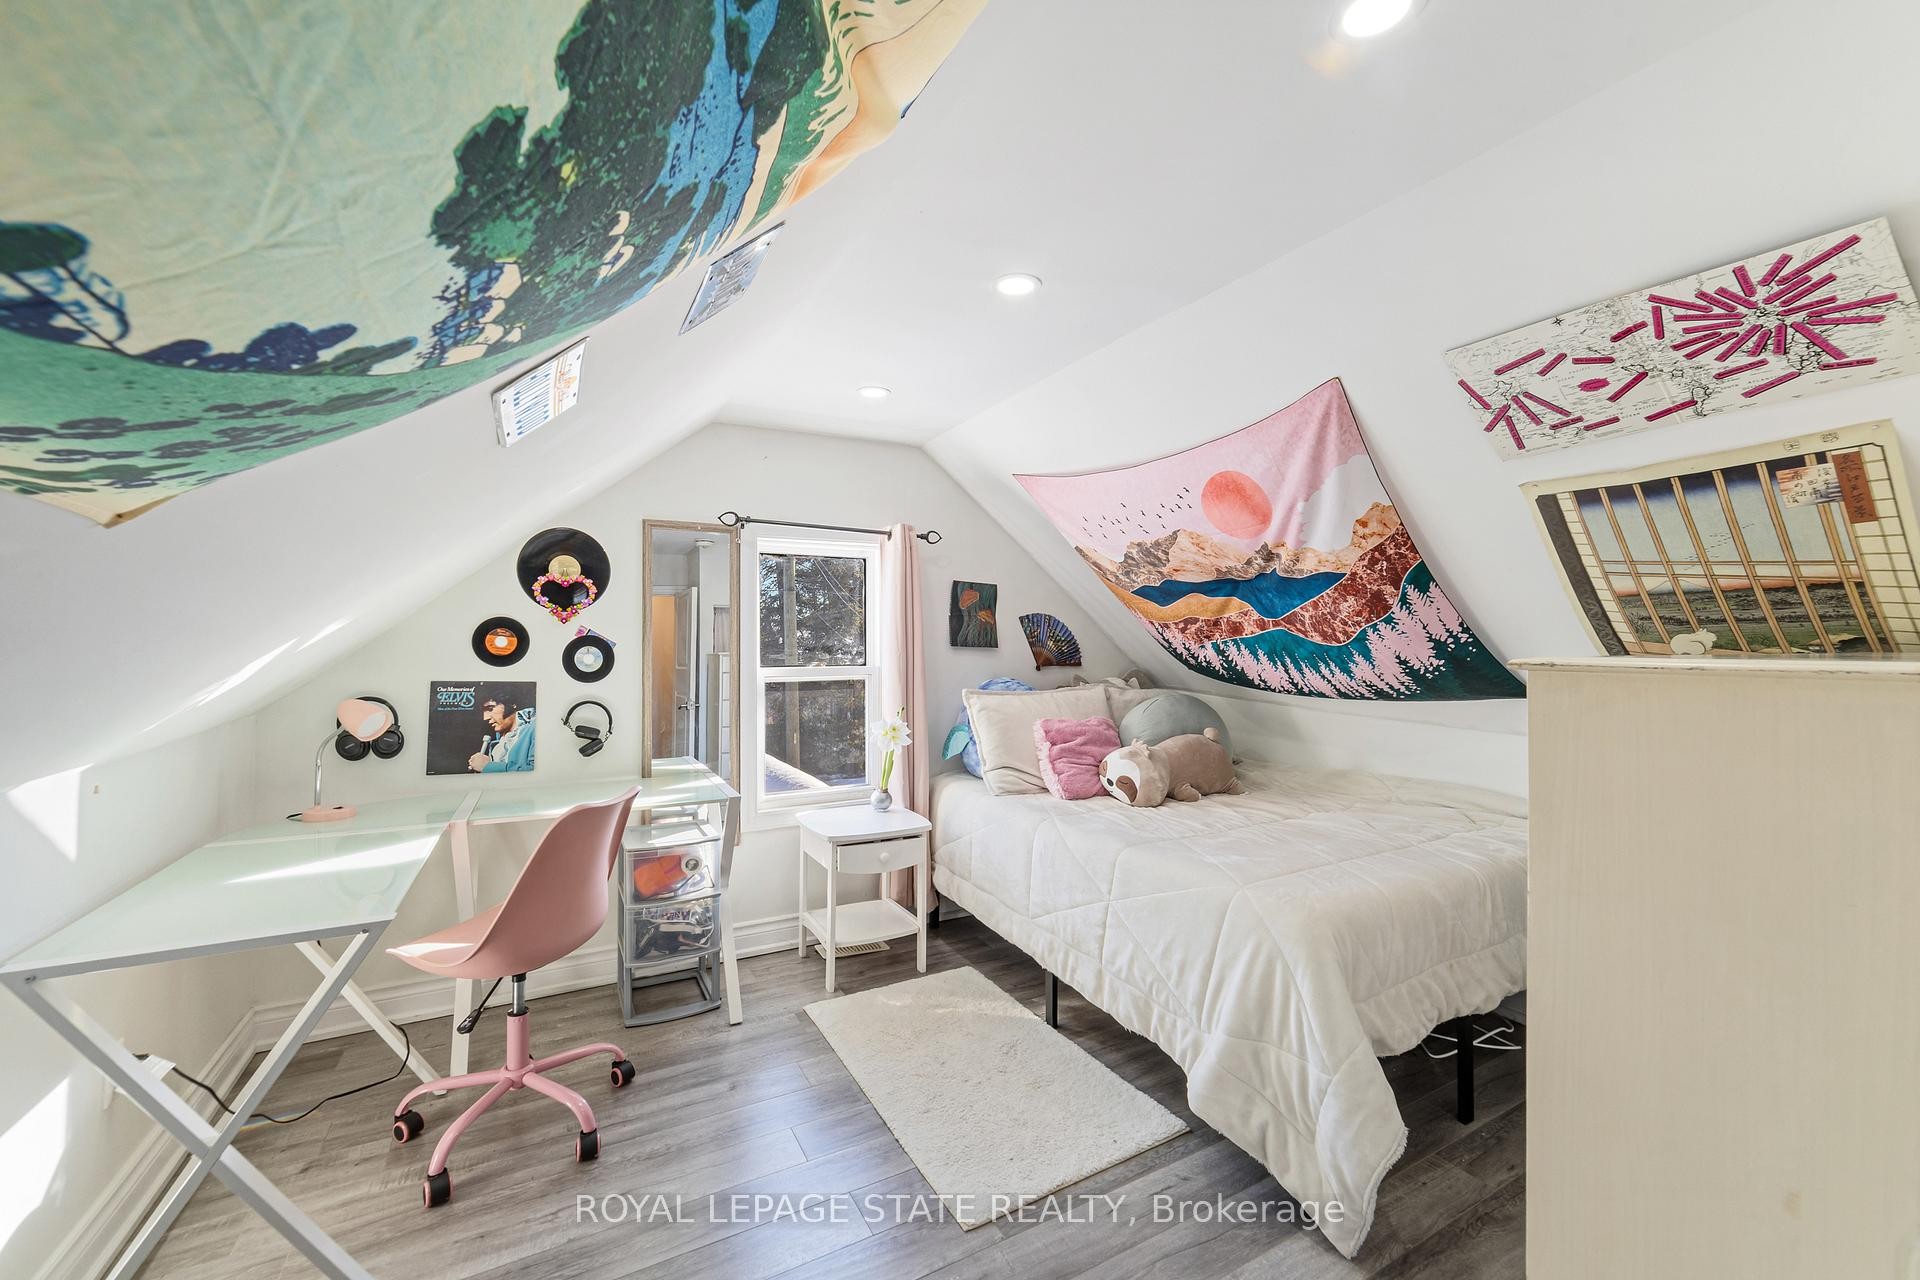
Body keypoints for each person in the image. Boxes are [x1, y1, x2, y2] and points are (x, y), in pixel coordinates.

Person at [468, 694, 535, 772]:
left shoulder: (535, 728)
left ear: (512, 704)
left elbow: (535, 773)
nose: (485, 718)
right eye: (482, 711)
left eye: (490, 709)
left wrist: (487, 766)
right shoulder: (498, 740)